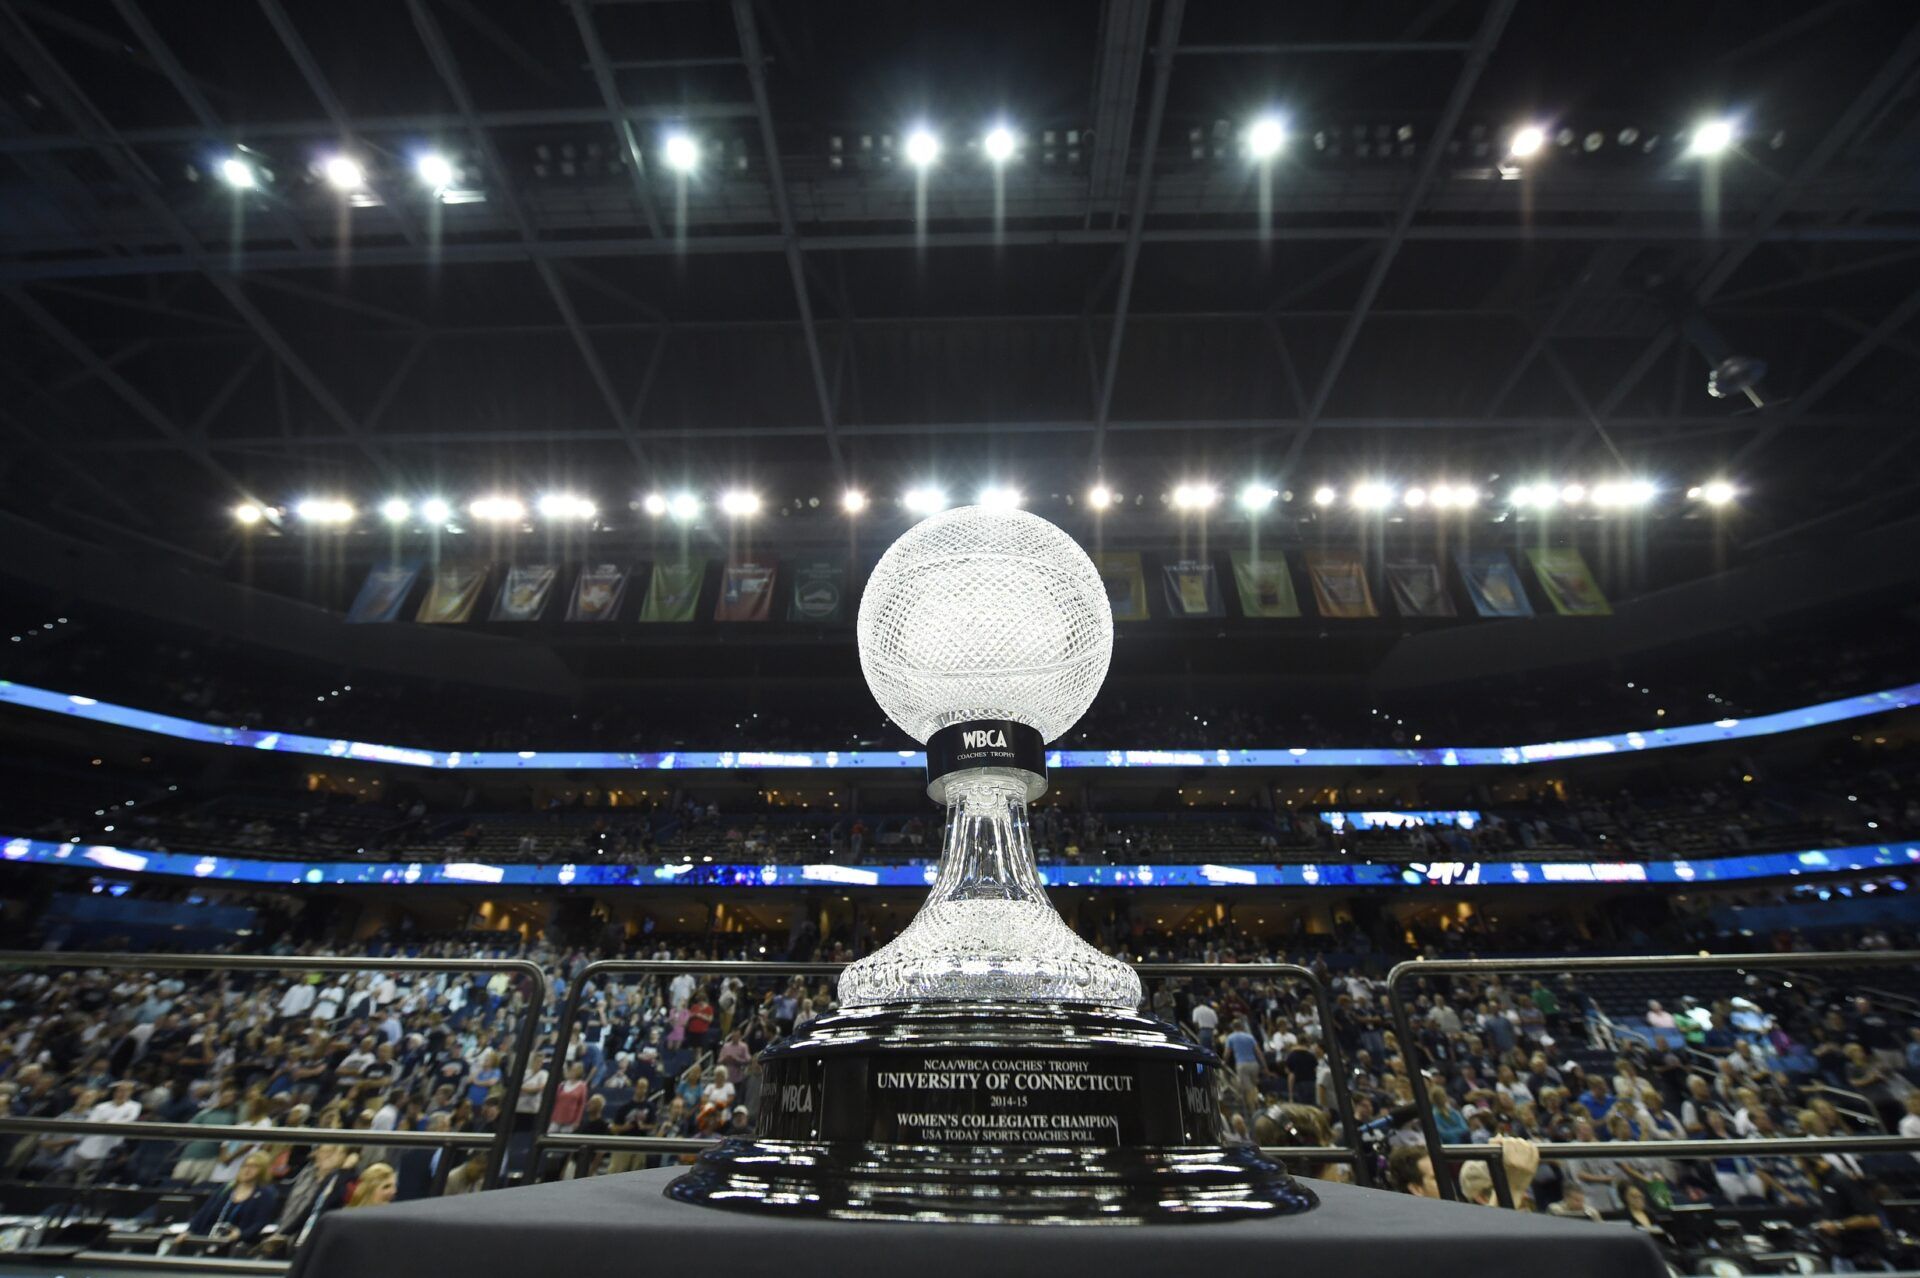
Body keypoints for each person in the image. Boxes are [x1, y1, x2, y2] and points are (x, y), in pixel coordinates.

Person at [186, 1150, 279, 1249]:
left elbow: (260, 1222)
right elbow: (204, 1212)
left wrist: (240, 1234)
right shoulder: (227, 1188)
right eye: (245, 1165)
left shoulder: (265, 1194)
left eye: (254, 1167)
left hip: (239, 1244)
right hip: (209, 1237)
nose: (247, 1169)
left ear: (263, 1170)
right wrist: (189, 1231)